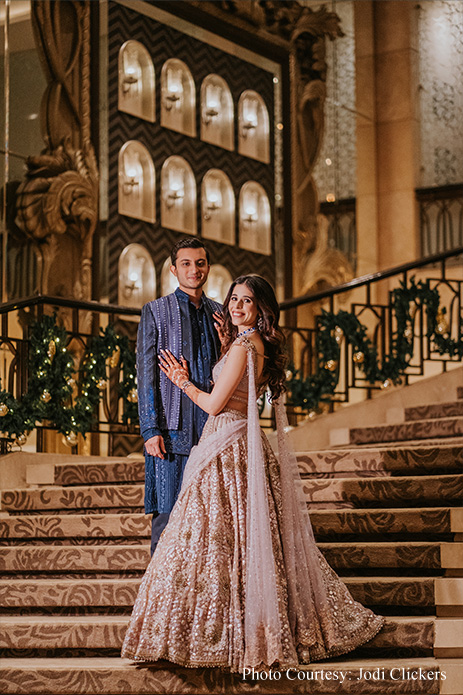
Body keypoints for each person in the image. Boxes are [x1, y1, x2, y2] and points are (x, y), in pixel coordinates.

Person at [123, 274, 384, 672]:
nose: (237, 306)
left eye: (247, 301)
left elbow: (213, 404)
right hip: (232, 441)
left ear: (261, 308)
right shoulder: (245, 343)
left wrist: (182, 382)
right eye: (233, 299)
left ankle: (224, 633)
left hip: (227, 444)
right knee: (227, 539)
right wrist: (227, 345)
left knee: (220, 540)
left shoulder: (248, 344)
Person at [136, 238, 222, 554]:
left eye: (199, 263)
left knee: (209, 517)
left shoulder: (220, 313)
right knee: (168, 517)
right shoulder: (155, 312)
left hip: (213, 430)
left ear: (208, 267)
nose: (193, 270)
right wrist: (150, 430)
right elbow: (145, 374)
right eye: (186, 263)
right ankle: (158, 598)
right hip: (171, 432)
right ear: (174, 270)